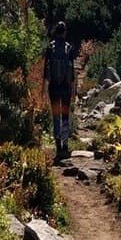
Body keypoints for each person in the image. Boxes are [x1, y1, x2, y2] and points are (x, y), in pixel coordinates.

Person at [43, 21, 78, 162]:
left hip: (54, 87)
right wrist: (73, 88)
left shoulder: (50, 47)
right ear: (64, 32)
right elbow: (72, 72)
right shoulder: (68, 48)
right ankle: (65, 145)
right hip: (65, 87)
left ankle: (57, 144)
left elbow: (45, 72)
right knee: (64, 115)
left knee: (56, 115)